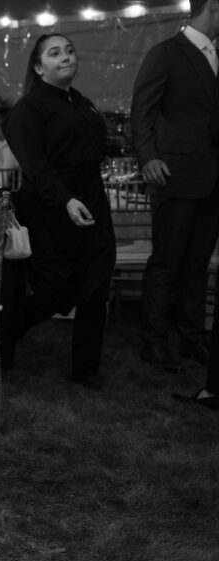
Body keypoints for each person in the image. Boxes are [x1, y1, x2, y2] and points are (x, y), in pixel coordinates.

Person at [3, 33, 115, 389]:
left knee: (96, 285)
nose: (66, 57)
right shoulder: (29, 108)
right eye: (55, 54)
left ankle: (86, 369)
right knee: (57, 291)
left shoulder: (82, 103)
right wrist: (65, 200)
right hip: (51, 208)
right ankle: (9, 331)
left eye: (69, 50)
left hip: (93, 202)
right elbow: (35, 166)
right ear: (39, 67)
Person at [131, 0, 219, 372]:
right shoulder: (166, 53)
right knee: (167, 261)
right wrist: (149, 156)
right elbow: (143, 110)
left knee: (198, 264)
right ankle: (153, 341)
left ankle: (191, 337)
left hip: (214, 178)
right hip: (174, 173)